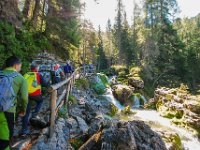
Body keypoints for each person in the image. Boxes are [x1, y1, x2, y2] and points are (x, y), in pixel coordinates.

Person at [0, 56, 28, 150]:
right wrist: (23, 110)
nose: (20, 68)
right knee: (5, 139)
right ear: (16, 65)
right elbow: (24, 98)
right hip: (8, 111)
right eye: (20, 66)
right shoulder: (21, 78)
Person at [21, 64, 48, 136]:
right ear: (36, 69)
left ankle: (24, 131)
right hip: (35, 94)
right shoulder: (38, 75)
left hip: (26, 94)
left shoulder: (26, 74)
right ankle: (34, 115)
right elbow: (45, 84)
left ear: (30, 68)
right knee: (41, 101)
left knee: (26, 113)